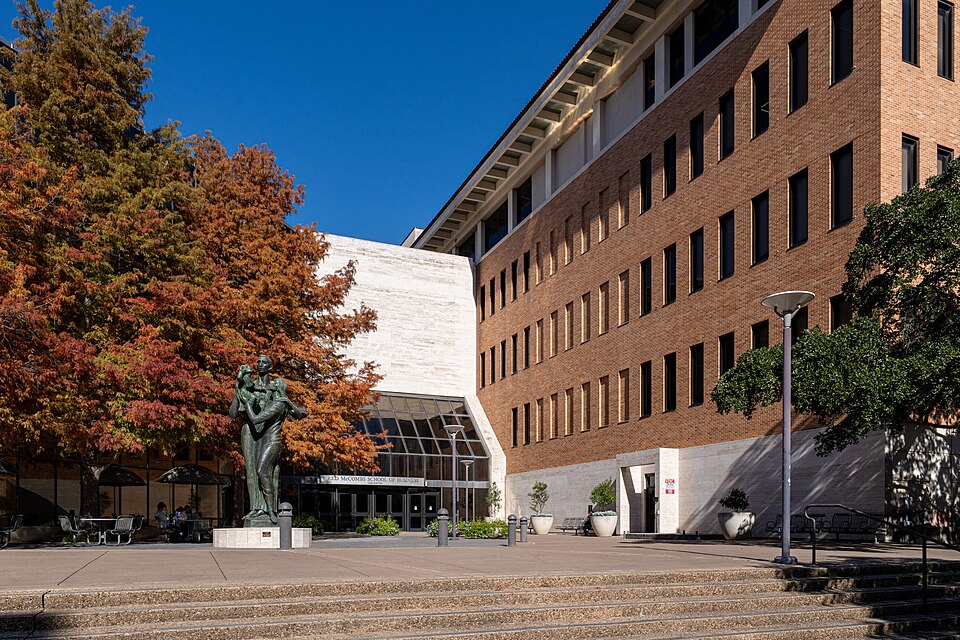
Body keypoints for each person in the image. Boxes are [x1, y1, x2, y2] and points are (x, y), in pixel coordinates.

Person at [237, 377, 306, 524]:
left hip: (271, 441)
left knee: (262, 471)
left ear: (278, 387)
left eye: (274, 383)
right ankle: (266, 509)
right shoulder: (280, 402)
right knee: (263, 471)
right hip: (265, 441)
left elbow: (256, 419)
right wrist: (287, 400)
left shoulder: (277, 405)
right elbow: (299, 414)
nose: (271, 384)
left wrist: (247, 404)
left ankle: (271, 510)